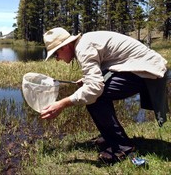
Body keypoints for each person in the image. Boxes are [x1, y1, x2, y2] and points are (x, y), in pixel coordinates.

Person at [41, 27, 169, 163]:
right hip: (142, 68)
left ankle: (123, 148)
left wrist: (62, 103)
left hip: (148, 71)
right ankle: (111, 137)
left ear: (65, 46)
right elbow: (111, 61)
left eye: (56, 54)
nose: (57, 59)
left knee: (94, 98)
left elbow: (94, 89)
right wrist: (87, 80)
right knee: (93, 93)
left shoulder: (83, 48)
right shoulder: (84, 42)